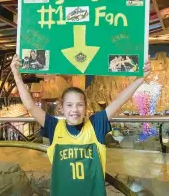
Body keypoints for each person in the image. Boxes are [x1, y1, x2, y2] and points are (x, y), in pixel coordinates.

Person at [11, 54, 151, 196]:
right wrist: (16, 75)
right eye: (69, 105)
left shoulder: (96, 125)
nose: (74, 110)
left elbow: (119, 101)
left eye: (79, 105)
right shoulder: (54, 127)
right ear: (62, 108)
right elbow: (30, 106)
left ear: (85, 107)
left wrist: (141, 78)